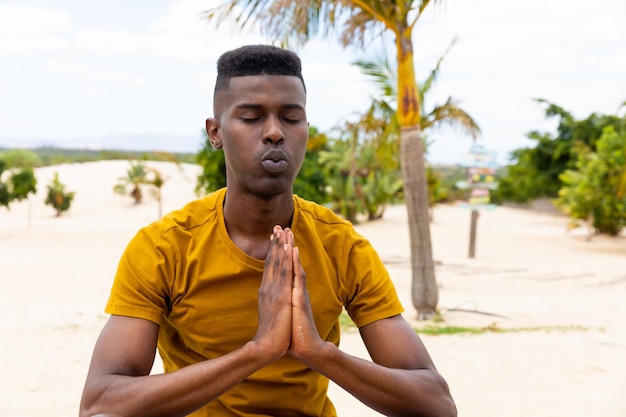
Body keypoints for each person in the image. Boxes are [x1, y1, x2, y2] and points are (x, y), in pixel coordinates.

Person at [79, 44, 456, 417]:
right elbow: (101, 403)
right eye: (251, 117)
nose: (275, 132)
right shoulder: (165, 247)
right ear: (215, 132)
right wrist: (257, 351)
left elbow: (436, 404)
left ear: (306, 129)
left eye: (291, 117)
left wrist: (318, 352)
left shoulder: (341, 246)